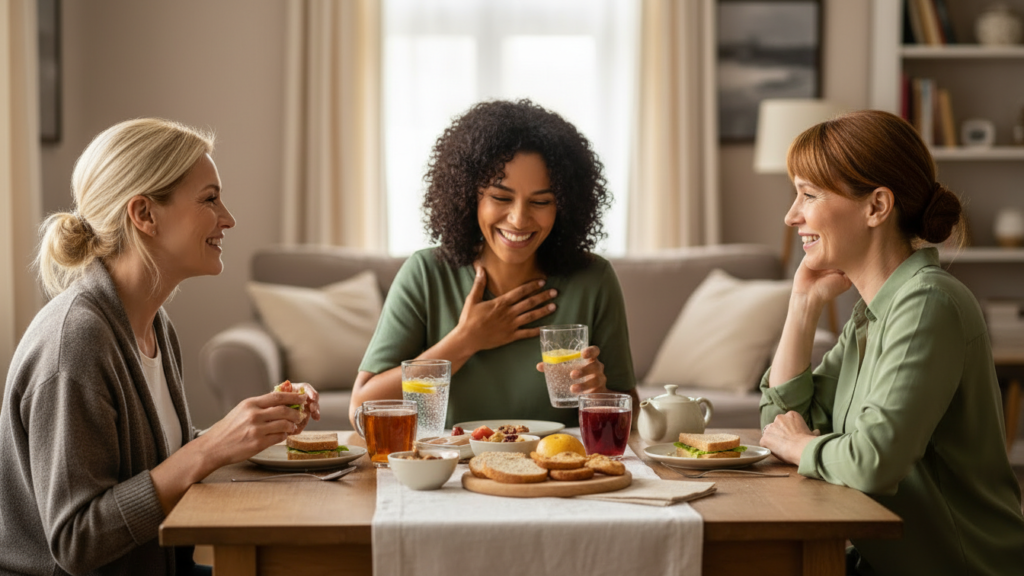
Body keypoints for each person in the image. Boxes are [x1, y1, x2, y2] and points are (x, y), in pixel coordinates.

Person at [0, 118, 321, 575]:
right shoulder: (75, 345)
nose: (228, 218)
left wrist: (249, 428)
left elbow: (152, 460)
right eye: (210, 199)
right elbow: (75, 542)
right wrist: (208, 450)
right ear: (144, 214)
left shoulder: (152, 322)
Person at [758, 110, 1024, 575]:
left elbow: (872, 462)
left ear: (877, 207)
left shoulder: (926, 305)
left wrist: (802, 447)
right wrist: (802, 306)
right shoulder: (873, 312)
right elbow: (781, 421)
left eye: (809, 194)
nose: (791, 214)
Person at [350, 99, 636, 428]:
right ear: (470, 195)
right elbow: (360, 407)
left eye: (541, 201)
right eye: (501, 198)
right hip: (448, 473)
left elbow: (632, 413)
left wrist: (598, 393)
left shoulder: (593, 279)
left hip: (555, 472)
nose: (518, 219)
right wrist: (465, 340)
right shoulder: (426, 274)